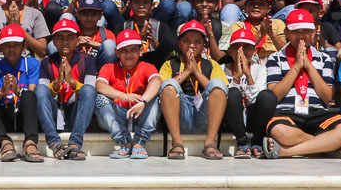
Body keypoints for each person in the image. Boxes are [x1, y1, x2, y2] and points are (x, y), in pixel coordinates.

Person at [261, 8, 341, 158]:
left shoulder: (324, 58)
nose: (301, 36)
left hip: (317, 112)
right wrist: (296, 66)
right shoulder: (275, 58)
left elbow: (327, 97)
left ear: (313, 32)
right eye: (295, 31)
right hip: (287, 112)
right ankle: (325, 145)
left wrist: (308, 65)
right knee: (279, 131)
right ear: (286, 33)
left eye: (306, 31)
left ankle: (286, 151)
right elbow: (275, 95)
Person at [159, 20, 230, 160]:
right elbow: (162, 89)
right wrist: (186, 72)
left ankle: (210, 142)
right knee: (168, 84)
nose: (191, 45)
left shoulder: (212, 64)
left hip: (204, 115)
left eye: (197, 42)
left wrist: (196, 72)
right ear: (179, 44)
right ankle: (177, 142)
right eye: (186, 41)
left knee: (217, 84)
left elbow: (222, 90)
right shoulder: (170, 64)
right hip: (180, 115)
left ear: (203, 46)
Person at [94, 29, 162, 158]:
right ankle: (124, 142)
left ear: (141, 51)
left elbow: (157, 81)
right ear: (117, 53)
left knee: (155, 96)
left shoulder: (147, 67)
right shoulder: (109, 68)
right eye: (124, 50)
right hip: (118, 115)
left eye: (133, 50)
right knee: (100, 98)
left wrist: (143, 102)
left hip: (140, 114)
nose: (128, 54)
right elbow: (99, 85)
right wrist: (123, 95)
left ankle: (139, 143)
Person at [36, 18, 97, 160]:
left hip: (75, 111)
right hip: (54, 111)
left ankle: (75, 143)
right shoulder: (47, 62)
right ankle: (54, 143)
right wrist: (57, 82)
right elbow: (43, 94)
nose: (65, 41)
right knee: (40, 90)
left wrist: (71, 81)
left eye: (70, 37)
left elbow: (90, 91)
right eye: (60, 37)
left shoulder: (87, 60)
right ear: (54, 42)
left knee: (88, 90)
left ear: (77, 40)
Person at [0, 24, 44, 162]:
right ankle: (4, 142)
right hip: (4, 114)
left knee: (28, 94)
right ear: (0, 47)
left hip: (24, 116)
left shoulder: (31, 63)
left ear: (24, 47)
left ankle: (30, 143)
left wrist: (17, 90)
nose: (11, 49)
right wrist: (3, 92)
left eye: (16, 45)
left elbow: (32, 94)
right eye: (7, 45)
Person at [222, 27, 275, 157]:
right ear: (229, 51)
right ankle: (243, 142)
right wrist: (237, 76)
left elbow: (258, 99)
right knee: (232, 92)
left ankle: (257, 141)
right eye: (236, 47)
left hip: (253, 117)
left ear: (254, 51)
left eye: (246, 47)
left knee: (268, 96)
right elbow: (223, 99)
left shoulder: (260, 69)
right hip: (231, 119)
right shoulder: (221, 69)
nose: (241, 51)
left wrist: (248, 75)